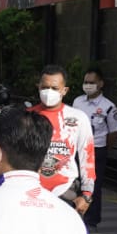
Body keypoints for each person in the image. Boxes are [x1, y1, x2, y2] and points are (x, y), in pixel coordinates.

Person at [28, 65, 96, 214]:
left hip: (66, 191)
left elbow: (87, 157)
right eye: (45, 87)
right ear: (38, 87)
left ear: (64, 90)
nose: (49, 92)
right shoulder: (27, 117)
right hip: (31, 191)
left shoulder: (78, 118)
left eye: (54, 88)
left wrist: (87, 194)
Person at [72, 67, 117, 228]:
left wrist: (104, 148)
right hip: (77, 149)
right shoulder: (77, 102)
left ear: (100, 84)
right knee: (75, 182)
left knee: (94, 185)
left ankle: (91, 220)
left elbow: (114, 131)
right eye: (86, 82)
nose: (88, 85)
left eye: (91, 82)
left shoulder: (108, 107)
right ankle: (74, 214)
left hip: (96, 150)